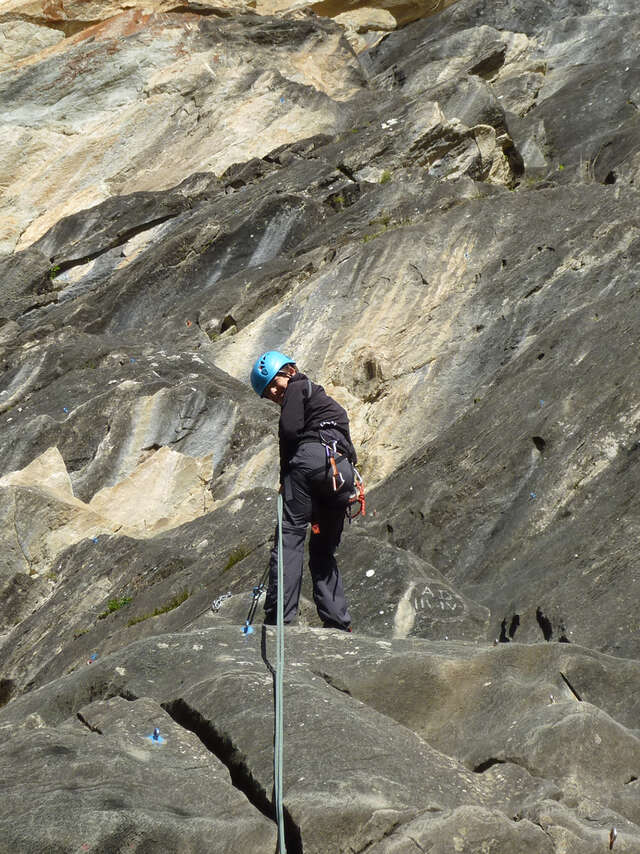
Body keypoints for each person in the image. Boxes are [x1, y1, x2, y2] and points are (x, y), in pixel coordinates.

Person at [250, 350, 357, 631]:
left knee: (290, 538)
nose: (273, 392)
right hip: (339, 475)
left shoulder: (298, 387)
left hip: (309, 464)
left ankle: (280, 618)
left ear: (291, 371)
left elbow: (289, 430)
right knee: (323, 551)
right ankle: (337, 622)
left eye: (274, 383)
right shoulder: (327, 403)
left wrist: (285, 475)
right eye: (268, 391)